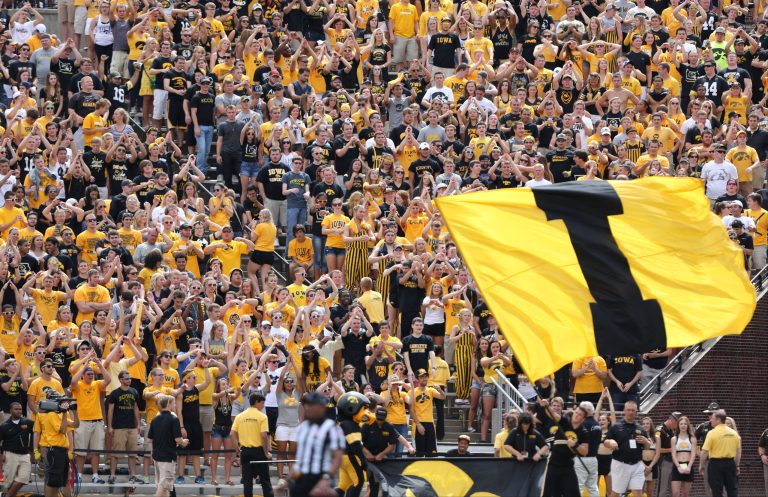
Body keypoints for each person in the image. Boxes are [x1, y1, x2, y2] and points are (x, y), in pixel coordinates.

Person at [289, 392, 345, 497]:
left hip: (320, 478)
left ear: (321, 407)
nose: (307, 408)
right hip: (300, 479)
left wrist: (326, 479)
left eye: (311, 405)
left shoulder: (332, 428)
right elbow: (300, 459)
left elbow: (337, 458)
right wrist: (288, 480)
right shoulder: (303, 427)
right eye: (307, 405)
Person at [34, 390, 79, 497]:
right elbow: (62, 430)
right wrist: (36, 450)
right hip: (51, 449)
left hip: (62, 449)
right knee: (52, 480)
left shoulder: (60, 412)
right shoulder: (49, 414)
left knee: (65, 480)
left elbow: (75, 425)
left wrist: (74, 411)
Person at [604, 400, 651, 497]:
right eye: (628, 410)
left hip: (637, 465)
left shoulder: (640, 428)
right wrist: (610, 442)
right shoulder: (616, 426)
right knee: (616, 493)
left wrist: (646, 442)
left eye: (633, 410)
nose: (630, 412)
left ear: (636, 412)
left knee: (638, 492)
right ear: (624, 411)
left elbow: (647, 447)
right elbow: (605, 441)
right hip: (620, 464)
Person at [231, 391, 274, 497]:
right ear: (256, 402)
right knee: (265, 481)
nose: (263, 405)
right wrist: (266, 453)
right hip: (259, 451)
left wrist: (237, 449)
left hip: (245, 451)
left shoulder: (240, 416)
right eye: (262, 403)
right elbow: (264, 436)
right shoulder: (262, 416)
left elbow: (232, 434)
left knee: (247, 482)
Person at [148, 394, 189, 497]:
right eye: (174, 403)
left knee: (166, 487)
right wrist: (184, 442)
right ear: (169, 404)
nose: (175, 405)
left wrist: (151, 453)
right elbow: (178, 439)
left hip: (157, 456)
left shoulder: (155, 419)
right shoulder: (174, 419)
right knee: (164, 485)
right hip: (167, 457)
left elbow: (150, 439)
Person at [699, 409, 741, 497]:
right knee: (732, 489)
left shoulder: (712, 433)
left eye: (712, 418)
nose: (710, 420)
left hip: (716, 464)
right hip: (730, 464)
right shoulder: (734, 433)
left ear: (718, 420)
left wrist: (701, 465)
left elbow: (704, 451)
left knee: (717, 490)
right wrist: (737, 465)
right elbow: (738, 451)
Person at [362, 406, 397, 497]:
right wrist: (367, 454)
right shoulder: (367, 425)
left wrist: (382, 454)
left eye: (382, 419)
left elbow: (392, 444)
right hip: (366, 458)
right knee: (361, 482)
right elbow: (359, 443)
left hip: (381, 459)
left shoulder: (389, 427)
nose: (379, 421)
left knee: (376, 484)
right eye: (378, 419)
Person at [409, 368, 446, 457]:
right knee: (419, 453)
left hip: (430, 423)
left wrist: (440, 389)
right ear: (417, 379)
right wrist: (418, 424)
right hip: (418, 423)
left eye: (425, 376)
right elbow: (411, 410)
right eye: (422, 377)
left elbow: (443, 397)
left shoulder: (431, 390)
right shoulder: (412, 392)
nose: (424, 379)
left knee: (431, 453)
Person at [0, 402, 33, 497]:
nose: (19, 411)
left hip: (24, 455)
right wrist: (1, 457)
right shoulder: (4, 426)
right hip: (10, 455)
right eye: (16, 409)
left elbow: (37, 432)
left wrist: (32, 452)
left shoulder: (28, 423)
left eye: (20, 409)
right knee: (9, 482)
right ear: (10, 411)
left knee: (24, 478)